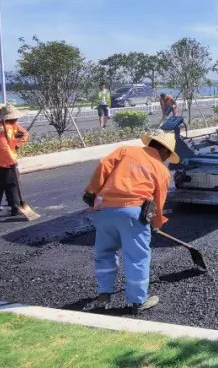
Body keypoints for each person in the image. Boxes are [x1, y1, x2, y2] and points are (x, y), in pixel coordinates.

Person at [81, 131, 178, 314]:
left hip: (103, 210)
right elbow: (158, 202)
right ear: (165, 151)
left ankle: (103, 295)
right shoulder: (161, 170)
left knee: (105, 253)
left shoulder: (125, 151)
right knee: (137, 258)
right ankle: (138, 300)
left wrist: (92, 191)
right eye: (167, 156)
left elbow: (103, 164)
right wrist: (156, 224)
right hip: (133, 214)